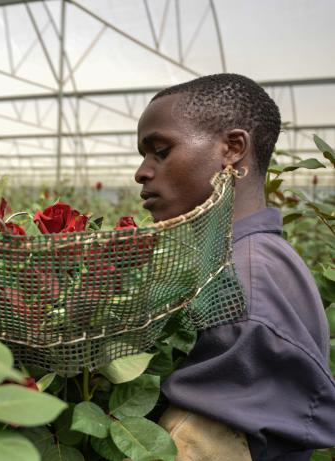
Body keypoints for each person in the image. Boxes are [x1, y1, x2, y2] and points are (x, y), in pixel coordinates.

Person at [134, 73, 335, 460]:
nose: (141, 172)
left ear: (232, 148)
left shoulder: (239, 287)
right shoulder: (255, 258)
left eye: (160, 151)